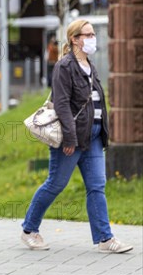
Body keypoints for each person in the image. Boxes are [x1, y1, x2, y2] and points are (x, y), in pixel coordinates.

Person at [21, 19, 133, 254]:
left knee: (97, 186)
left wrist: (103, 134)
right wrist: (70, 139)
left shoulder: (89, 66)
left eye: (93, 34)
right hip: (71, 139)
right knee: (56, 184)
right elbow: (61, 105)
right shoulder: (64, 66)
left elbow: (96, 104)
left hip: (92, 137)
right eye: (88, 34)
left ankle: (105, 238)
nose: (93, 38)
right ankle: (29, 230)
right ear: (75, 39)